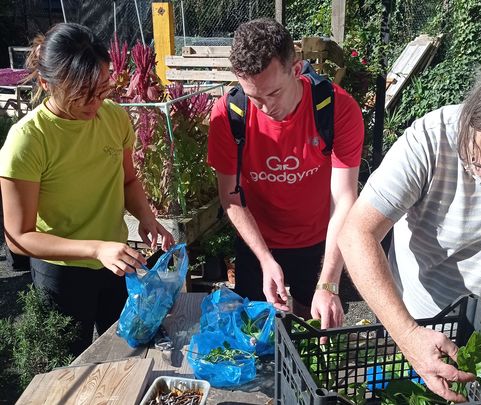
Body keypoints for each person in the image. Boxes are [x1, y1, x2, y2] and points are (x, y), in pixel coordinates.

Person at [338, 64, 481, 403]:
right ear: (467, 132)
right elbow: (357, 233)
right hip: (419, 326)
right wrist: (408, 334)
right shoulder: (433, 137)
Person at [0, 23, 174, 356]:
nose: (94, 104)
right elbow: (18, 236)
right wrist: (95, 249)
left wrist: (147, 217)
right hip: (62, 273)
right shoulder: (27, 141)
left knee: (126, 352)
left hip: (115, 262)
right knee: (67, 366)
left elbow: (128, 180)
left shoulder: (114, 118)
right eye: (81, 95)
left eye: (102, 90)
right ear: (45, 83)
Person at [207, 18, 364, 329]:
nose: (265, 108)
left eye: (274, 93)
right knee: (254, 333)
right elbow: (231, 196)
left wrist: (329, 282)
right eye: (254, 97)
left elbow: (345, 199)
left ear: (296, 69)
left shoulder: (337, 109)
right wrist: (265, 259)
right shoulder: (229, 113)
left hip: (318, 241)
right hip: (257, 242)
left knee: (316, 327)